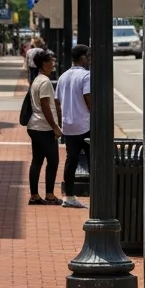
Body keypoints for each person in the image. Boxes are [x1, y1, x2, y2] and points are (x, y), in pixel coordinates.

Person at [55, 44, 90, 209]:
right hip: (85, 124)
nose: (89, 59)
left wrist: (61, 121)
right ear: (82, 58)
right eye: (88, 56)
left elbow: (57, 102)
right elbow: (89, 99)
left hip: (68, 125)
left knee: (71, 159)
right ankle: (98, 194)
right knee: (93, 159)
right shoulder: (86, 76)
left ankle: (69, 196)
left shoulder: (63, 77)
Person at [26, 50, 61, 205]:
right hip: (44, 127)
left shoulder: (37, 80)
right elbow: (45, 106)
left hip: (35, 125)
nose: (53, 64)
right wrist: (55, 126)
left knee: (37, 160)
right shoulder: (45, 82)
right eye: (51, 62)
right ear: (44, 64)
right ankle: (49, 194)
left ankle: (35, 195)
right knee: (53, 161)